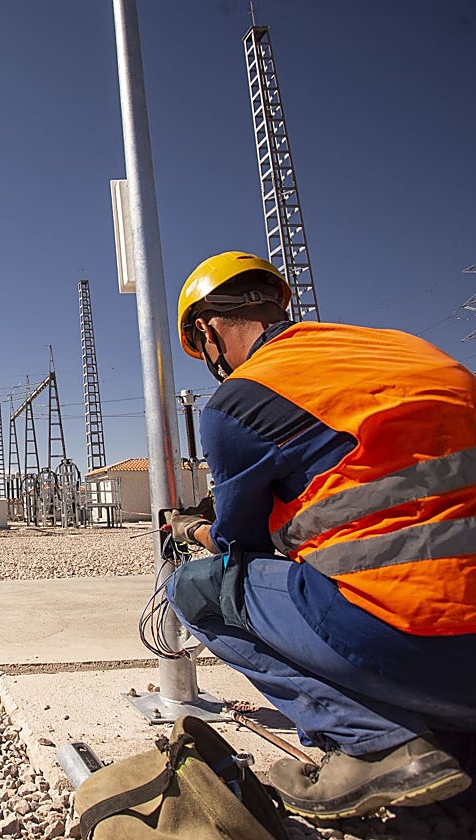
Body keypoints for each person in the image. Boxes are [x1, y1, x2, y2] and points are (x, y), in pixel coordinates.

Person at [165, 251, 476, 820]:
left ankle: (373, 745)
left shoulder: (240, 399)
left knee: (196, 588)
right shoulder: (408, 349)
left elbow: (241, 550)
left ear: (207, 332)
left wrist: (195, 529)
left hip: (432, 649)